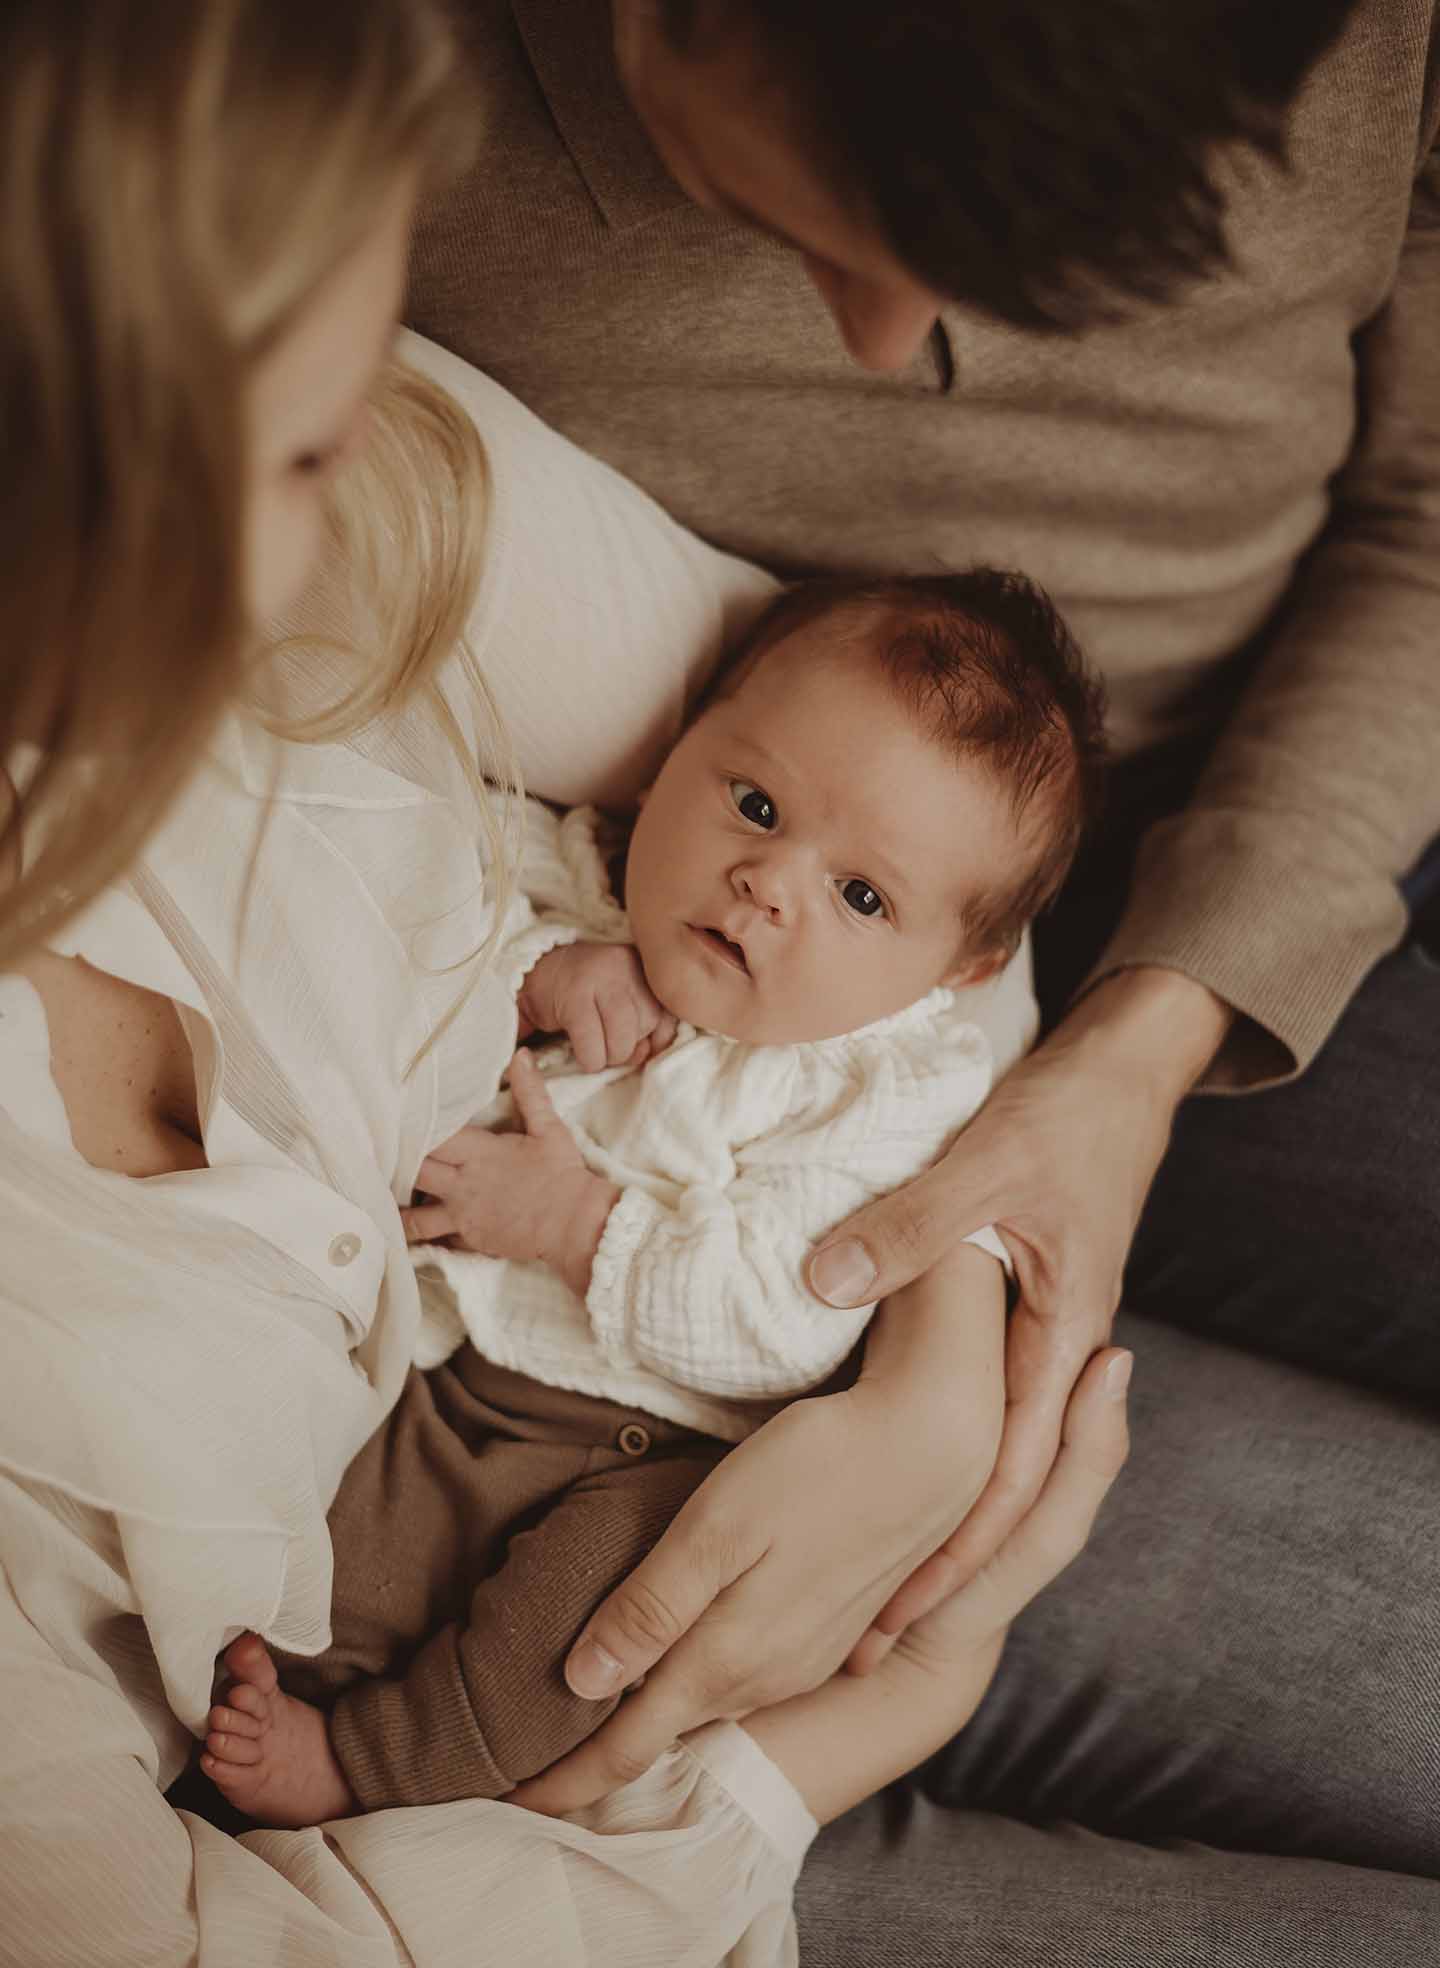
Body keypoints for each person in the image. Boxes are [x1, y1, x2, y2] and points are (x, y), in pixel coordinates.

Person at [0, 5, 1129, 1961]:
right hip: (587, 1809)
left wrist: (937, 1346)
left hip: (720, 1465)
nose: (369, 480)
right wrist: (877, 1725)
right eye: (299, 437)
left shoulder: (390, 528)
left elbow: (934, 859)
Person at [400, 0, 1440, 1957]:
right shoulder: (298, 75)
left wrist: (1145, 1038)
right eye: (760, 206)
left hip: (1268, 821)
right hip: (816, 987)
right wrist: (935, 1328)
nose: (895, 348)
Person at [197, 566, 1106, 1830]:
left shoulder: (889, 1091)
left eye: (862, 896)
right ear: (676, 749)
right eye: (754, 801)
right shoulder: (560, 876)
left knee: (604, 1603)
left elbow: (787, 1320)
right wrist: (533, 981)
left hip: (626, 1451)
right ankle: (236, 1663)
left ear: (960, 969)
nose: (769, 881)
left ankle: (375, 1766)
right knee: (287, 1499)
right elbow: (382, 973)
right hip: (423, 1365)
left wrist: (577, 1228)